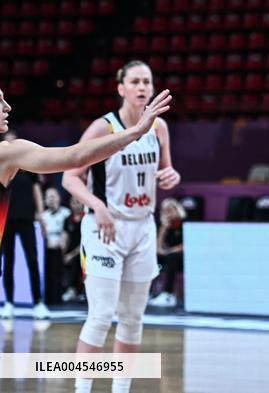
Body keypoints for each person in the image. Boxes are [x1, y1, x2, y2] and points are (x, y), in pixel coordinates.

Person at [62, 61, 181, 393]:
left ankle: (121, 389)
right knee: (101, 316)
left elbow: (167, 172)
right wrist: (97, 206)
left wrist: (172, 176)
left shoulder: (159, 128)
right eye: (135, 81)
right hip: (105, 229)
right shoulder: (103, 129)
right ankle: (82, 389)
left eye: (147, 81)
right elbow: (70, 177)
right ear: (121, 88)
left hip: (142, 227)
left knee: (132, 319)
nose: (143, 87)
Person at [0, 88, 171, 312]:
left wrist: (135, 131)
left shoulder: (7, 154)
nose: (7, 106)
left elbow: (75, 156)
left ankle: (38, 302)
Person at [0, 131, 47, 319]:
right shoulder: (2, 165)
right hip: (6, 220)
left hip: (27, 218)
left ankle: (38, 303)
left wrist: (41, 215)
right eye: (7, 142)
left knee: (32, 260)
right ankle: (9, 303)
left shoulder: (27, 166)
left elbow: (36, 189)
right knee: (7, 261)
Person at [150, 198, 185, 308]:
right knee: (151, 258)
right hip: (168, 255)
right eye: (165, 211)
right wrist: (164, 228)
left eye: (170, 210)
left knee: (172, 257)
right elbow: (158, 248)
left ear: (177, 210)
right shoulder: (164, 225)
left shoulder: (184, 223)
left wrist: (168, 252)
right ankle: (149, 292)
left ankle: (168, 294)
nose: (168, 214)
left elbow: (186, 245)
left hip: (183, 258)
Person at [41, 187, 71, 306]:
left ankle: (59, 296)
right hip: (46, 248)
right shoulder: (43, 216)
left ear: (59, 198)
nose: (51, 199)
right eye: (48, 197)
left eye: (53, 196)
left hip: (61, 248)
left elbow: (67, 233)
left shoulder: (66, 213)